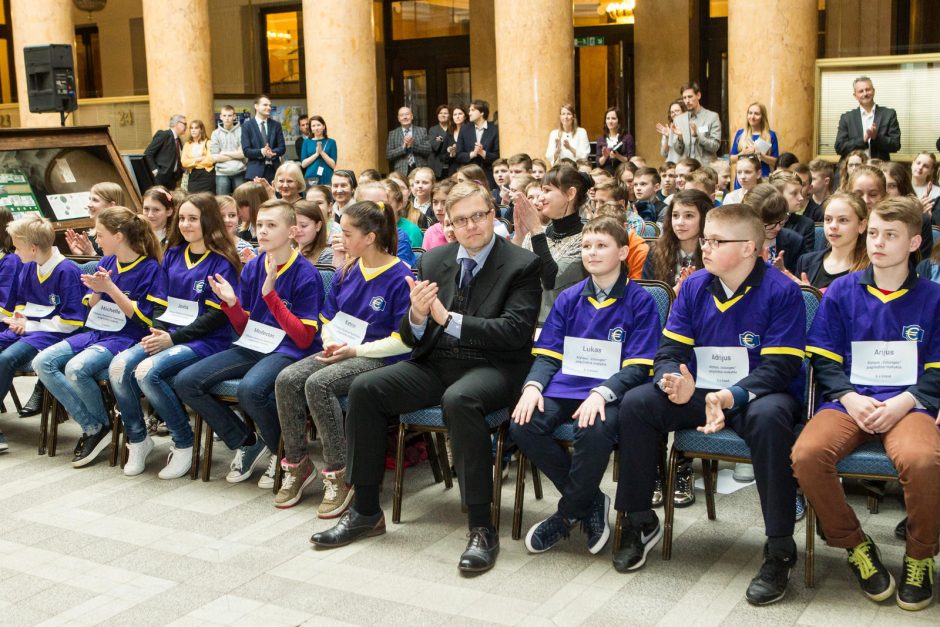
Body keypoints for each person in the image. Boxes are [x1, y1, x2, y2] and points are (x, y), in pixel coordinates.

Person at [310, 182, 541, 574]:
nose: (471, 226)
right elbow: (412, 329)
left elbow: (515, 332)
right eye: (460, 220)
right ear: (448, 224)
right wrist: (416, 317)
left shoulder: (521, 264)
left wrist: (448, 319)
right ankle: (366, 511)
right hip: (437, 362)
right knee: (366, 388)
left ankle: (482, 526)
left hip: (495, 367)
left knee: (460, 399)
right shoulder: (435, 260)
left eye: (478, 217)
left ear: (492, 215)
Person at [612, 203, 806, 606]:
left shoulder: (782, 291)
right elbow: (669, 349)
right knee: (637, 403)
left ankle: (779, 547)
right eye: (705, 239)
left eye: (717, 241)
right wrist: (674, 382)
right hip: (701, 391)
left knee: (772, 420)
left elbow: (782, 366)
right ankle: (640, 519)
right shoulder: (697, 285)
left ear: (751, 247)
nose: (706, 247)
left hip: (757, 394)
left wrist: (732, 394)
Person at [794, 196, 940, 612]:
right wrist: (849, 397)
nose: (877, 242)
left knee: (924, 460)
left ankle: (920, 554)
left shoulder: (934, 298)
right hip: (851, 400)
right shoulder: (841, 291)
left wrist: (905, 403)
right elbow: (823, 358)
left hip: (910, 405)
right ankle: (855, 544)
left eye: (890, 235)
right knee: (806, 454)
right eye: (873, 232)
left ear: (913, 243)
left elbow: (937, 371)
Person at [510, 216, 661, 554]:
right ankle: (591, 500)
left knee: (593, 429)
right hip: (565, 386)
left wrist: (601, 393)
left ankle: (567, 514)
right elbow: (549, 355)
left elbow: (639, 366)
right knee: (523, 423)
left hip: (610, 392)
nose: (592, 253)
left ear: (623, 252)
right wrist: (533, 386)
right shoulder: (568, 298)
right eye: (587, 246)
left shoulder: (641, 301)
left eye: (602, 246)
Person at [274, 200, 412, 514]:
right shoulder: (347, 269)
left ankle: (341, 474)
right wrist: (332, 342)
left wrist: (354, 351)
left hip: (381, 357)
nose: (341, 239)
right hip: (343, 348)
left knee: (318, 384)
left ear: (370, 237)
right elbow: (328, 317)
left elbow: (403, 341)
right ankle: (297, 464)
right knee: (287, 379)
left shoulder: (400, 276)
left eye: (347, 233)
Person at [175, 199, 323, 487]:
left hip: (289, 350)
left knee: (251, 389)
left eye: (271, 225)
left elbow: (304, 337)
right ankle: (247, 441)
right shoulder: (255, 266)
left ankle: (288, 454)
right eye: (259, 225)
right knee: (186, 381)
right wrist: (231, 304)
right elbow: (245, 327)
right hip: (254, 344)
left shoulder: (306, 273)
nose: (263, 231)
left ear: (292, 231)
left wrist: (271, 296)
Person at [109, 193, 241, 478]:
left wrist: (172, 339)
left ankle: (184, 443)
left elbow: (217, 315)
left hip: (207, 341)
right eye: (182, 218)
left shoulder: (222, 261)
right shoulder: (171, 254)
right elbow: (159, 302)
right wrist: (159, 331)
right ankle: (138, 439)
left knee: (146, 372)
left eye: (193, 219)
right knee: (119, 367)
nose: (185, 224)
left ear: (208, 221)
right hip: (169, 334)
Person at [34, 207, 166, 468]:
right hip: (96, 331)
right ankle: (95, 425)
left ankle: (98, 428)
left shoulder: (151, 268)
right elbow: (90, 306)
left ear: (118, 236)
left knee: (76, 368)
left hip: (126, 337)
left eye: (100, 234)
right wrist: (96, 290)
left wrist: (110, 288)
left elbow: (146, 321)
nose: (96, 239)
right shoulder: (106, 262)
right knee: (43, 362)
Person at [513, 165, 591, 322]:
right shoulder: (534, 235)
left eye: (547, 190)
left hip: (566, 324)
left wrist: (535, 229)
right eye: (541, 190)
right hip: (526, 322)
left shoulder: (587, 239)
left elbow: (551, 280)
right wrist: (520, 235)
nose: (541, 197)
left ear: (570, 194)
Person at [793, 192, 868, 291]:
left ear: (861, 225)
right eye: (828, 219)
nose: (833, 226)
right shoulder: (806, 262)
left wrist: (813, 298)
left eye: (843, 220)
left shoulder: (870, 270)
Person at [834, 76, 901, 161]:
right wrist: (863, 140)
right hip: (854, 168)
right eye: (861, 91)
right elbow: (839, 148)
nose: (865, 94)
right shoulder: (847, 118)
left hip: (879, 168)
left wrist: (876, 137)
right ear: (855, 95)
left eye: (868, 89)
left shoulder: (889, 114)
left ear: (873, 91)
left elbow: (895, 145)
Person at [743, 183, 803, 274]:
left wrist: (783, 273)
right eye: (770, 224)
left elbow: (801, 282)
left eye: (781, 221)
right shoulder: (737, 241)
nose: (778, 228)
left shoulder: (794, 241)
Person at [65, 182, 125, 257]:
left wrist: (92, 254)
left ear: (111, 205)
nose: (89, 204)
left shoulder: (120, 235)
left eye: (95, 200)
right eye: (89, 199)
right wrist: (81, 256)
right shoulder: (91, 236)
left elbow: (114, 266)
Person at [730, 103, 779, 184]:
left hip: (762, 178)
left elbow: (775, 162)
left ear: (762, 117)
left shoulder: (770, 135)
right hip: (743, 178)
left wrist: (760, 155)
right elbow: (732, 159)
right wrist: (743, 153)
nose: (752, 117)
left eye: (756, 114)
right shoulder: (740, 133)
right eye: (750, 113)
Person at [456, 99, 499, 188]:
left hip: (488, 175)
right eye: (469, 110)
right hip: (468, 175)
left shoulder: (494, 130)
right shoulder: (464, 129)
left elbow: (498, 156)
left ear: (482, 113)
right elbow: (459, 155)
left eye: (473, 110)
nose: (469, 113)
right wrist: (473, 154)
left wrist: (482, 153)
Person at [242, 95, 286, 183]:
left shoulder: (276, 125)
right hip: (255, 172)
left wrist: (272, 152)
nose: (268, 107)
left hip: (275, 170)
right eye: (265, 105)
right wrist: (262, 152)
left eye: (269, 105)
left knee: (276, 196)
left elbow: (282, 148)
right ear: (256, 106)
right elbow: (246, 151)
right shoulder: (247, 126)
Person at [769, 170, 815, 254]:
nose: (801, 198)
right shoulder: (762, 223)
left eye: (800, 192)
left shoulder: (806, 225)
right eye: (794, 193)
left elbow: (805, 262)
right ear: (777, 195)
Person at [680, 82, 721, 164]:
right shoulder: (680, 119)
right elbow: (678, 150)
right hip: (686, 169)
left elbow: (715, 146)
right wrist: (679, 138)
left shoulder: (712, 117)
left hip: (705, 169)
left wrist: (698, 136)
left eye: (690, 97)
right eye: (684, 98)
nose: (687, 101)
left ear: (698, 95)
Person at [209, 105, 247, 196]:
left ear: (234, 116)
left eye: (229, 115)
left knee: (242, 200)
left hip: (239, 171)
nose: (227, 118)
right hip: (221, 173)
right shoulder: (215, 133)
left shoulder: (242, 131)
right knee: (222, 202)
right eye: (224, 115)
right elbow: (214, 157)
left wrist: (224, 153)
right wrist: (235, 154)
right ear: (220, 117)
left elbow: (243, 154)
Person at [144, 114, 187, 190]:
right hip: (160, 178)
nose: (186, 127)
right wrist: (155, 171)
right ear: (177, 124)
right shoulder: (164, 135)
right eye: (184, 124)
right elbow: (148, 153)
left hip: (172, 179)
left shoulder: (178, 140)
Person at [386, 106, 430, 176]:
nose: (405, 117)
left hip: (420, 169)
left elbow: (428, 150)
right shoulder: (393, 134)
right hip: (401, 171)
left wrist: (413, 146)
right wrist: (403, 147)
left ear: (412, 116)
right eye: (402, 115)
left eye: (407, 114)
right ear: (398, 119)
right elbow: (389, 155)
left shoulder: (422, 131)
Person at [595, 107, 634, 174]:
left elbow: (630, 161)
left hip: (622, 172)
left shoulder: (627, 138)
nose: (610, 121)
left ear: (619, 121)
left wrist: (617, 156)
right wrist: (605, 156)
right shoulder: (601, 139)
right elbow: (599, 164)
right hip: (606, 173)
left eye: (613, 118)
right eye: (608, 118)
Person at [300, 115, 337, 186]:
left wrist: (322, 152)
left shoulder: (331, 142)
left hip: (327, 176)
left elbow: (333, 165)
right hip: (311, 177)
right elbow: (303, 164)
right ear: (311, 128)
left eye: (318, 125)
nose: (316, 128)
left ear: (323, 126)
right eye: (313, 126)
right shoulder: (306, 142)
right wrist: (316, 154)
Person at [292, 200, 331, 267]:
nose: (298, 230)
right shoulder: (289, 252)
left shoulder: (327, 255)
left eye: (304, 225)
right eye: (294, 225)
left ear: (318, 226)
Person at [423, 179, 455, 251]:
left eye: (444, 202)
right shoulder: (430, 232)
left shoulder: (463, 229)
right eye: (435, 202)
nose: (439, 208)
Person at [233, 180, 268, 244]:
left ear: (256, 204)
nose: (237, 210)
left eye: (241, 205)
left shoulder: (271, 232)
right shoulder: (240, 231)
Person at [657, 100, 690, 164]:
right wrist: (667, 137)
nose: (674, 114)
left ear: (684, 112)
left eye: (677, 111)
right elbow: (664, 154)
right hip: (671, 166)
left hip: (685, 165)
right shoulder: (668, 129)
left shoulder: (690, 127)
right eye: (672, 112)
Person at [910, 151, 939, 218]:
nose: (920, 167)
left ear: (931, 171)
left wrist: (929, 216)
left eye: (925, 166)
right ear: (912, 164)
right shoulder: (899, 187)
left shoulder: (937, 193)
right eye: (918, 163)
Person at [428, 104, 452, 179]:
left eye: (445, 113)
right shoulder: (433, 130)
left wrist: (440, 139)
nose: (443, 115)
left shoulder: (453, 129)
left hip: (451, 164)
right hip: (436, 166)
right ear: (437, 115)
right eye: (440, 113)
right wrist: (443, 139)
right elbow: (435, 146)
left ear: (449, 115)